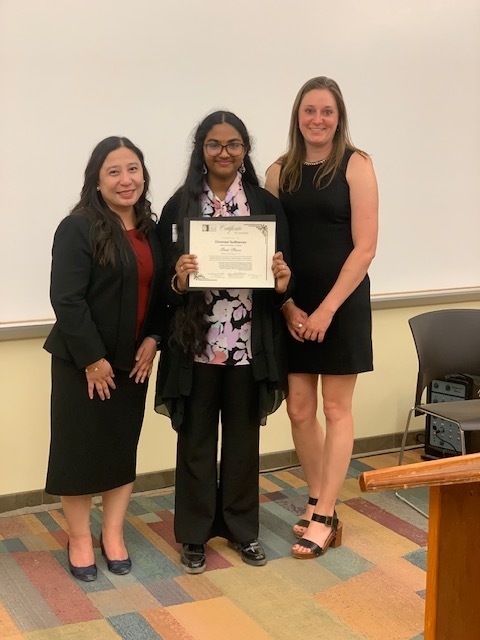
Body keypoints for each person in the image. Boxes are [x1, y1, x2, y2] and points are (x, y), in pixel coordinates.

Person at [155, 111, 293, 574]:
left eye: (233, 144)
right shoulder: (179, 206)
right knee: (195, 442)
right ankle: (194, 535)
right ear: (202, 149)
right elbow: (162, 286)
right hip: (195, 346)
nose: (224, 153)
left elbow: (283, 279)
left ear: (245, 150)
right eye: (214, 144)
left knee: (241, 441)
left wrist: (281, 282)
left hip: (246, 347)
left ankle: (241, 529)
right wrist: (177, 281)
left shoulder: (265, 205)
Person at [265, 77, 378, 559]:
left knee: (336, 409)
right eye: (309, 110)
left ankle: (327, 514)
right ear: (297, 116)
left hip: (342, 303)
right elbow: (268, 250)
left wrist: (327, 310)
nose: (317, 119)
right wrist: (289, 306)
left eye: (326, 111)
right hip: (293, 304)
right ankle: (316, 500)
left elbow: (366, 246)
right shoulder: (277, 172)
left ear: (339, 117)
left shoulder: (357, 165)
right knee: (298, 409)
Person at [44, 136, 164, 581]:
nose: (125, 179)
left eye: (133, 169)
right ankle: (79, 538)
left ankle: (112, 534)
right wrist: (93, 359)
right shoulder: (77, 227)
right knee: (79, 453)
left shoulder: (151, 229)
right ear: (97, 181)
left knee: (119, 449)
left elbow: (162, 294)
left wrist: (154, 338)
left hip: (133, 363)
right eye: (114, 171)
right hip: (83, 364)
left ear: (143, 174)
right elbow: (67, 298)